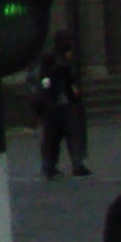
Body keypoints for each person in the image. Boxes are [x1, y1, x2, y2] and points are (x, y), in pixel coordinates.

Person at [32, 33, 87, 178]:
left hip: (54, 104)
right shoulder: (59, 62)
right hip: (59, 104)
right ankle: (73, 165)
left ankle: (51, 166)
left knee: (52, 137)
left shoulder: (50, 60)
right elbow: (66, 84)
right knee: (69, 135)